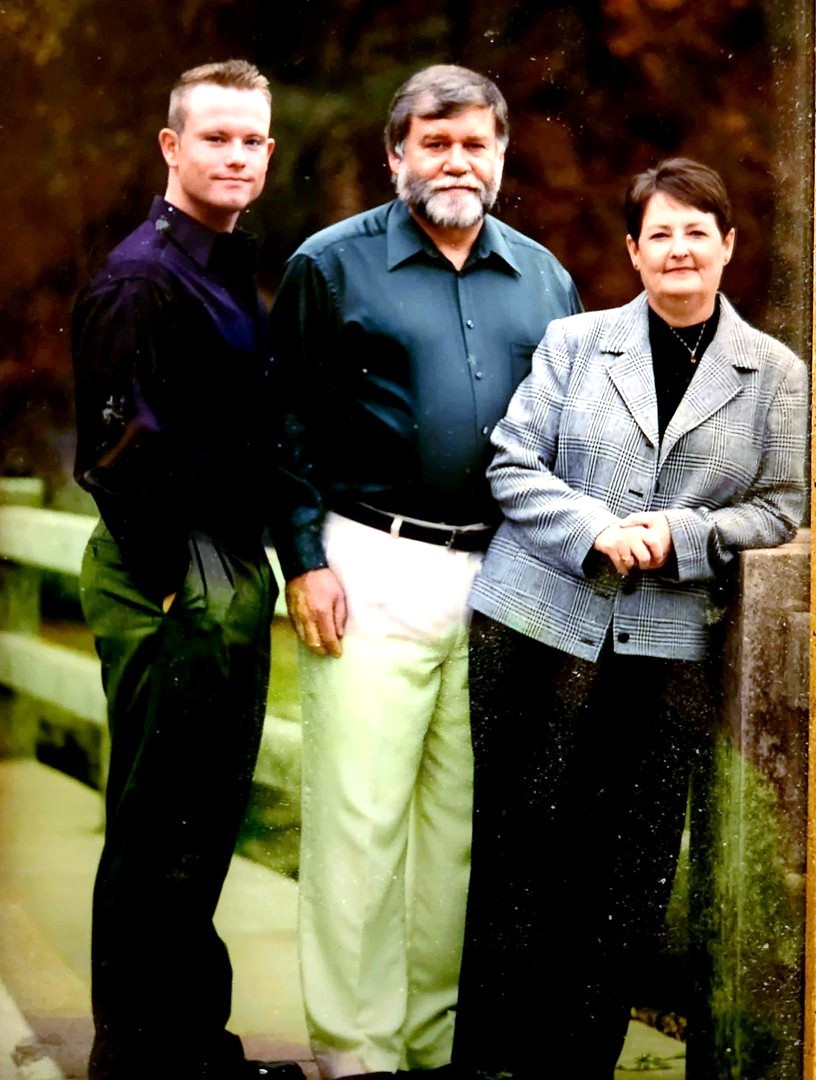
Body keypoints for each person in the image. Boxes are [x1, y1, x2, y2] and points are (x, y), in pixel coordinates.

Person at [451, 157, 809, 1079]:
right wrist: (597, 530)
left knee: (625, 875)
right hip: (535, 628)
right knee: (516, 856)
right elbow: (512, 463)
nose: (679, 248)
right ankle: (489, 1064)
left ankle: (577, 1065)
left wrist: (683, 534)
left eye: (698, 231)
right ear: (633, 251)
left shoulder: (775, 374)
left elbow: (779, 506)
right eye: (661, 233)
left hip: (662, 650)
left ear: (728, 246)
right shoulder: (576, 342)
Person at [270, 64, 580, 1080]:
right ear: (396, 153)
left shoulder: (544, 279)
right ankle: (357, 1053)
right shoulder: (330, 266)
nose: (456, 161)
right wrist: (305, 560)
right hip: (368, 563)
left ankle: (430, 1046)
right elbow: (286, 424)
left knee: (457, 831)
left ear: (501, 154)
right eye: (434, 142)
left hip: (500, 577)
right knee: (360, 821)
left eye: (474, 143)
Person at [72, 60, 303, 1080]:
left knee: (200, 823)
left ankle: (192, 1050)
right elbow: (116, 452)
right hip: (169, 570)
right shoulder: (142, 278)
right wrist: (174, 584)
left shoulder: (222, 262)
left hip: (221, 568)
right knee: (157, 825)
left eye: (252, 140)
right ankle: (137, 1060)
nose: (237, 155)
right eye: (216, 137)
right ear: (171, 146)